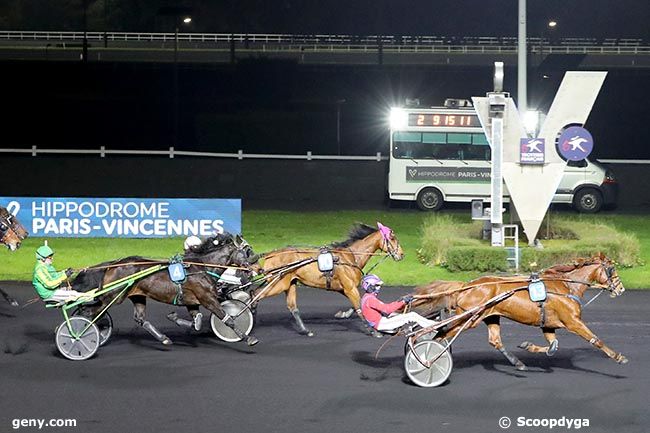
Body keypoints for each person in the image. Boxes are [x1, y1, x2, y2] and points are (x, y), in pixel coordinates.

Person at [360, 274, 436, 332]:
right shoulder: (370, 300)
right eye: (376, 285)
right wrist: (403, 301)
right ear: (370, 286)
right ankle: (433, 326)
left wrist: (402, 301)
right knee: (412, 316)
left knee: (402, 315)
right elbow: (387, 309)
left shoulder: (366, 297)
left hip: (381, 320)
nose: (379, 288)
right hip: (381, 323)